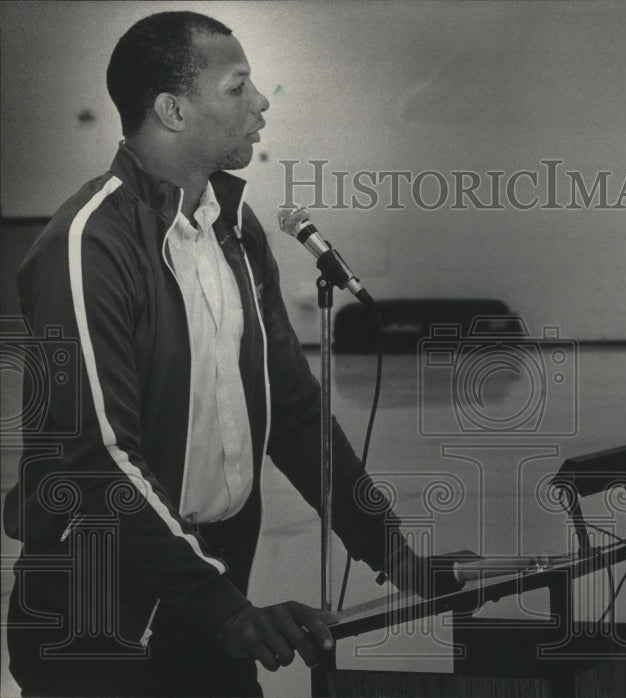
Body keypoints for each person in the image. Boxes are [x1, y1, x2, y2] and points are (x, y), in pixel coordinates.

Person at [4, 12, 454, 697]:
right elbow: (98, 459)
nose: (262, 103)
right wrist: (227, 610)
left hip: (206, 605)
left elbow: (295, 416)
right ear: (173, 109)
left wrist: (390, 549)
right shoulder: (89, 244)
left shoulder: (235, 228)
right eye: (238, 86)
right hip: (96, 626)